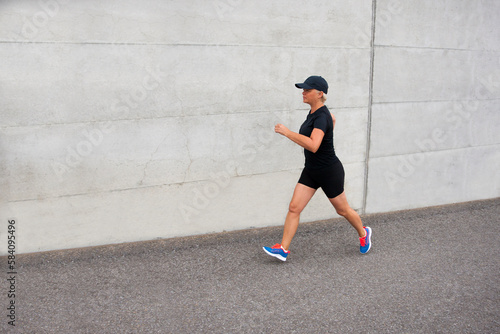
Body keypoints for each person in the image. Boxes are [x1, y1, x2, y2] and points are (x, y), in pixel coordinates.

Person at [263, 76, 371, 261]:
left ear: (320, 94)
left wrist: (287, 132)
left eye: (307, 90)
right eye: (302, 89)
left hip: (329, 172)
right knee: (294, 207)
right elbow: (331, 122)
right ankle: (283, 249)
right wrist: (330, 125)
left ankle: (363, 233)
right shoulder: (317, 114)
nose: (303, 92)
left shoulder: (321, 117)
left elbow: (313, 145)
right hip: (312, 170)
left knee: (342, 210)